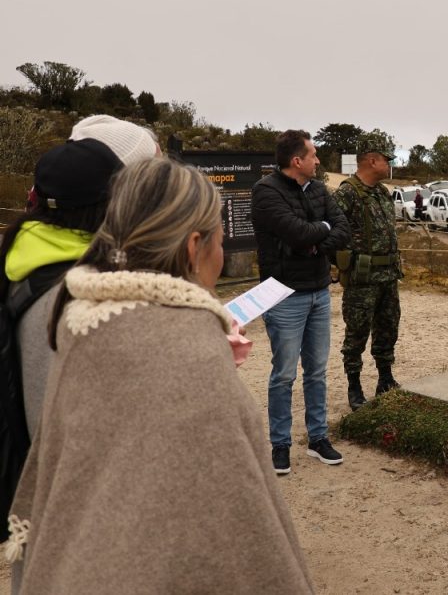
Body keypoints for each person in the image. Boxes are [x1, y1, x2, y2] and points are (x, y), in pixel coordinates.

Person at [6, 158, 313, 593]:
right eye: (220, 241)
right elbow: (239, 521)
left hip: (81, 566)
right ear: (194, 247)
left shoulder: (83, 317)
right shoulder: (187, 348)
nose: (221, 254)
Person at [0, 117, 159, 544]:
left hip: (48, 512)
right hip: (85, 533)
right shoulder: (82, 299)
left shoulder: (26, 256)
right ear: (114, 203)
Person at [252, 130, 350, 474]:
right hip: (283, 295)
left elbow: (343, 228)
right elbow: (296, 233)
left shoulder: (321, 189)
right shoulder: (265, 191)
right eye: (314, 154)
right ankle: (280, 444)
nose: (318, 160)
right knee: (283, 374)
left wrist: (316, 239)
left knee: (317, 371)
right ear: (297, 161)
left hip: (319, 292)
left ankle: (318, 438)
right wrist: (317, 231)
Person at [332, 142, 402, 411]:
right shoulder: (347, 193)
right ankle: (354, 386)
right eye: (387, 160)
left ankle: (385, 379)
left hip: (388, 275)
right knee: (357, 332)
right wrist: (342, 263)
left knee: (388, 328)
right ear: (372, 161)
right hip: (363, 278)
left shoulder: (383, 192)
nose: (390, 164)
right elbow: (334, 233)